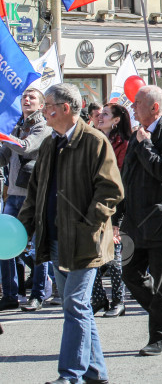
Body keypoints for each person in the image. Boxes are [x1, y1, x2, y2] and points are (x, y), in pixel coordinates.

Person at [17, 83, 124, 382]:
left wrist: (89, 223)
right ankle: (96, 372)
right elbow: (36, 191)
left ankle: (70, 375)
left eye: (47, 104)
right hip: (55, 239)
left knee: (75, 305)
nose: (43, 109)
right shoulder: (50, 143)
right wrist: (23, 228)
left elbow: (111, 190)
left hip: (84, 241)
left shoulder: (94, 141)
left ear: (65, 108)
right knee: (76, 307)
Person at [120, 85, 162, 356]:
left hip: (161, 221)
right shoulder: (139, 132)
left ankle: (159, 338)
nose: (133, 108)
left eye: (137, 104)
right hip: (135, 220)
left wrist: (146, 143)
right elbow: (128, 175)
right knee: (129, 273)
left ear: (154, 108)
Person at [0, 87, 50, 312]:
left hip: (34, 195)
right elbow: (4, 156)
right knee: (4, 245)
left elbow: (26, 147)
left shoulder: (43, 126)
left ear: (41, 105)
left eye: (32, 98)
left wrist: (4, 136)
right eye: (24, 97)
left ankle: (38, 295)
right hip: (13, 195)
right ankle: (10, 294)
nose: (26, 100)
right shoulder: (17, 125)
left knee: (38, 247)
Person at [90, 103, 132, 317]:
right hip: (92, 202)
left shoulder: (123, 144)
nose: (100, 116)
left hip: (115, 205)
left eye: (105, 114)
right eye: (99, 113)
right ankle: (98, 298)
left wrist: (117, 221)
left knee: (114, 257)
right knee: (92, 254)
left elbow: (120, 182)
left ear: (116, 120)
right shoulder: (92, 138)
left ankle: (119, 300)